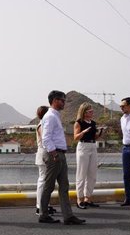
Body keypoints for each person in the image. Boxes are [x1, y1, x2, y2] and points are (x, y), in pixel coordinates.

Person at [39, 90, 85, 225]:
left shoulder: (55, 116)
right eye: (62, 100)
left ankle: (68, 216)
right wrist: (53, 154)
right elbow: (46, 138)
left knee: (64, 185)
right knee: (49, 185)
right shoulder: (50, 117)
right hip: (55, 154)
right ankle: (43, 214)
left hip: (59, 154)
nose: (64, 102)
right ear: (54, 100)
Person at [73, 102, 104, 209]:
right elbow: (76, 137)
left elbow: (94, 137)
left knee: (92, 173)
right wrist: (84, 131)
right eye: (90, 111)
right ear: (84, 112)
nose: (92, 112)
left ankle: (88, 198)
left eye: (92, 111)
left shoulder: (93, 123)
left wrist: (99, 133)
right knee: (81, 173)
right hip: (83, 147)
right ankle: (79, 199)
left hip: (92, 146)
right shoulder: (79, 122)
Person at [34, 105, 56, 216]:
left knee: (46, 181)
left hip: (43, 153)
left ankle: (44, 204)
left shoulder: (43, 124)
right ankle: (40, 206)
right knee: (43, 180)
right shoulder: (41, 125)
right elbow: (45, 139)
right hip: (44, 153)